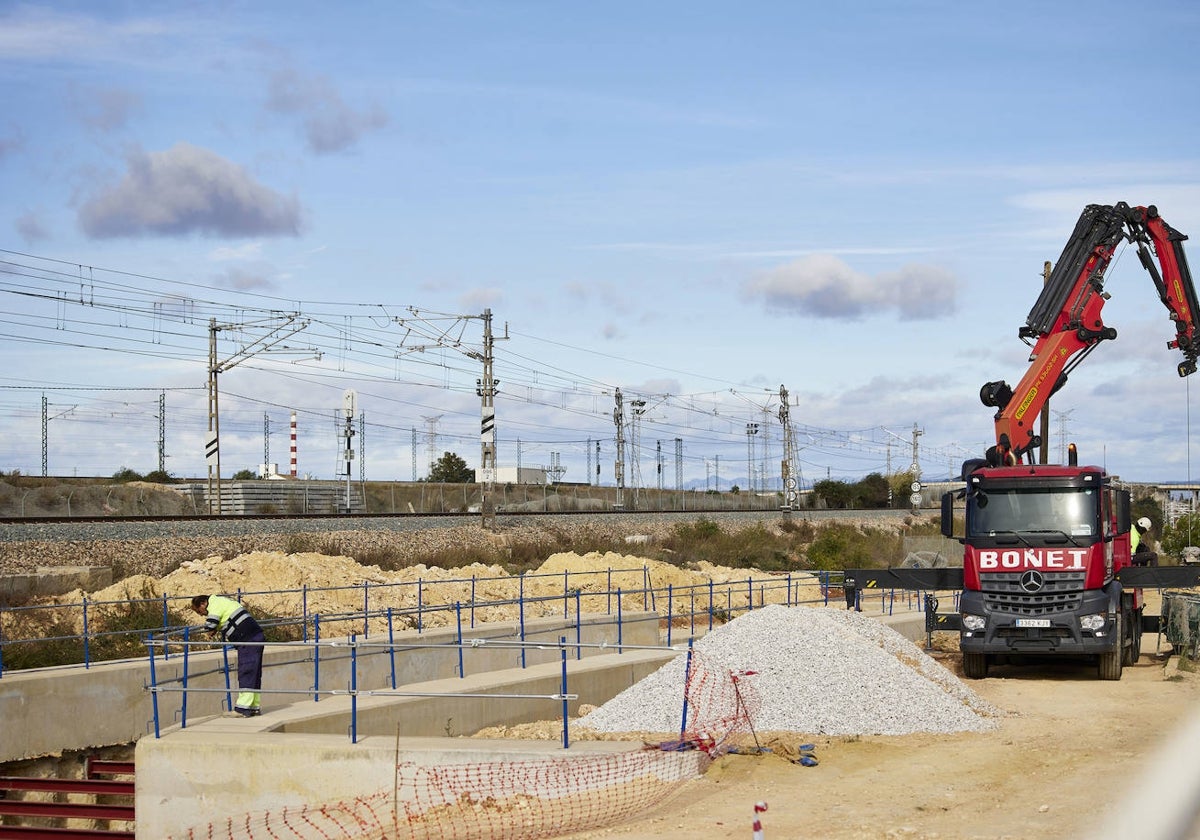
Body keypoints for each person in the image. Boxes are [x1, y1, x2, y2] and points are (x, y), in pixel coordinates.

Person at [190, 594, 266, 717]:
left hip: (248, 639)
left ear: (203, 603)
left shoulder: (214, 604)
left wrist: (211, 630)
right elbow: (223, 620)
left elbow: (210, 625)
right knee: (254, 672)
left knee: (246, 671)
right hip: (254, 636)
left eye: (200, 611)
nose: (202, 615)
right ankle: (253, 707)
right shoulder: (221, 601)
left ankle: (243, 709)